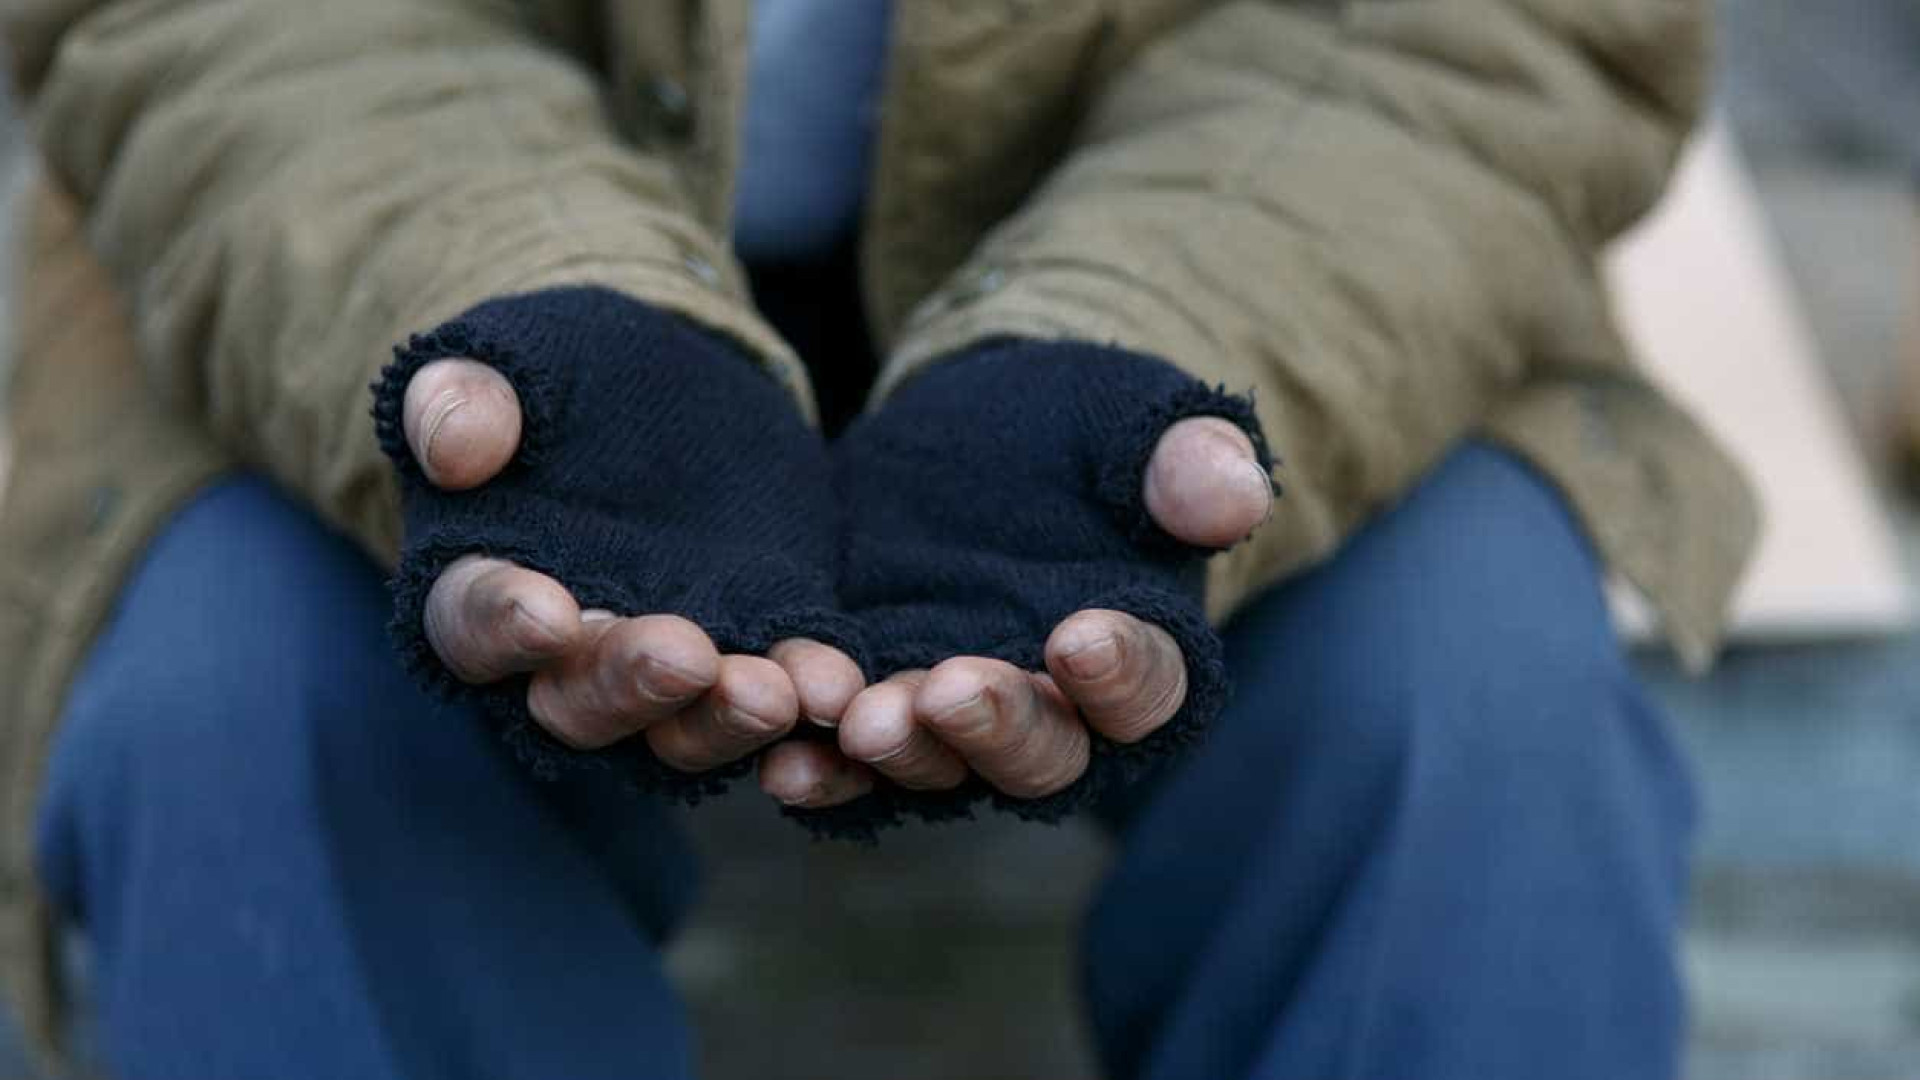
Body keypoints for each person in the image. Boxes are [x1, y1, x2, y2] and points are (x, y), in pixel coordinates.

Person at [0, 1, 1757, 1077]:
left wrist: (1119, 335)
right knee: (239, 705)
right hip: (358, 236)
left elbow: (1478, 27)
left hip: (1298, 257)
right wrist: (524, 308)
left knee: (1469, 698)